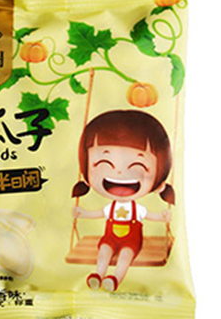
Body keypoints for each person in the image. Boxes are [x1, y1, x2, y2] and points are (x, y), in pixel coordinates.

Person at [72, 110, 174, 292]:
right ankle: (98, 274)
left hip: (131, 241)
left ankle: (115, 278)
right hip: (109, 238)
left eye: (138, 165)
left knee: (126, 256)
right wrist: (83, 214)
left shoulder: (136, 209)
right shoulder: (111, 207)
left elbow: (149, 215)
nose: (119, 172)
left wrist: (162, 217)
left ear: (158, 182)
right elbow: (99, 213)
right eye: (103, 163)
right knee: (104, 251)